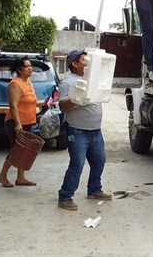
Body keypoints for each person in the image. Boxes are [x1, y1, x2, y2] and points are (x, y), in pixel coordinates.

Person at [57, 49, 111, 211]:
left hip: (95, 130)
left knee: (99, 161)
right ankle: (65, 196)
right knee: (77, 164)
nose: (87, 61)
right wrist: (75, 98)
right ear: (74, 63)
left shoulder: (91, 79)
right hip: (78, 132)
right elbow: (63, 107)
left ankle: (94, 189)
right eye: (83, 59)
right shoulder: (68, 83)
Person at [0, 57, 38, 188]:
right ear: (19, 69)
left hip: (28, 121)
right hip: (16, 122)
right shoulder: (15, 84)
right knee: (16, 151)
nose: (30, 68)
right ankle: (2, 176)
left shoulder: (28, 82)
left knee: (25, 151)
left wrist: (47, 102)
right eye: (27, 66)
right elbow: (13, 106)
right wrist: (18, 124)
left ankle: (20, 178)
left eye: (31, 66)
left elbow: (30, 101)